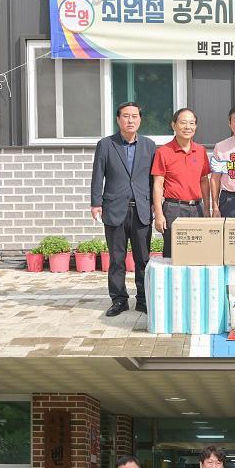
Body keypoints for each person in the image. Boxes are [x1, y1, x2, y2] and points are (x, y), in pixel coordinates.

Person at [91, 101, 156, 317]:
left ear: (140, 120)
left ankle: (143, 299)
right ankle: (119, 300)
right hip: (114, 208)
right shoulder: (106, 144)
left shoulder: (149, 145)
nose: (130, 120)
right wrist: (95, 203)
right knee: (116, 258)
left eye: (134, 116)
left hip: (141, 209)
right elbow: (98, 175)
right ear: (118, 119)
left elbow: (154, 178)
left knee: (143, 259)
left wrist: (155, 203)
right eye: (126, 116)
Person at [152, 108, 211, 258]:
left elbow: (204, 180)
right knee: (172, 254)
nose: (187, 127)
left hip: (197, 208)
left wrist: (207, 208)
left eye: (191, 123)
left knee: (198, 254)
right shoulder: (163, 152)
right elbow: (158, 185)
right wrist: (158, 214)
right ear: (173, 125)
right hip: (173, 209)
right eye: (183, 122)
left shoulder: (200, 151)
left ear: (196, 126)